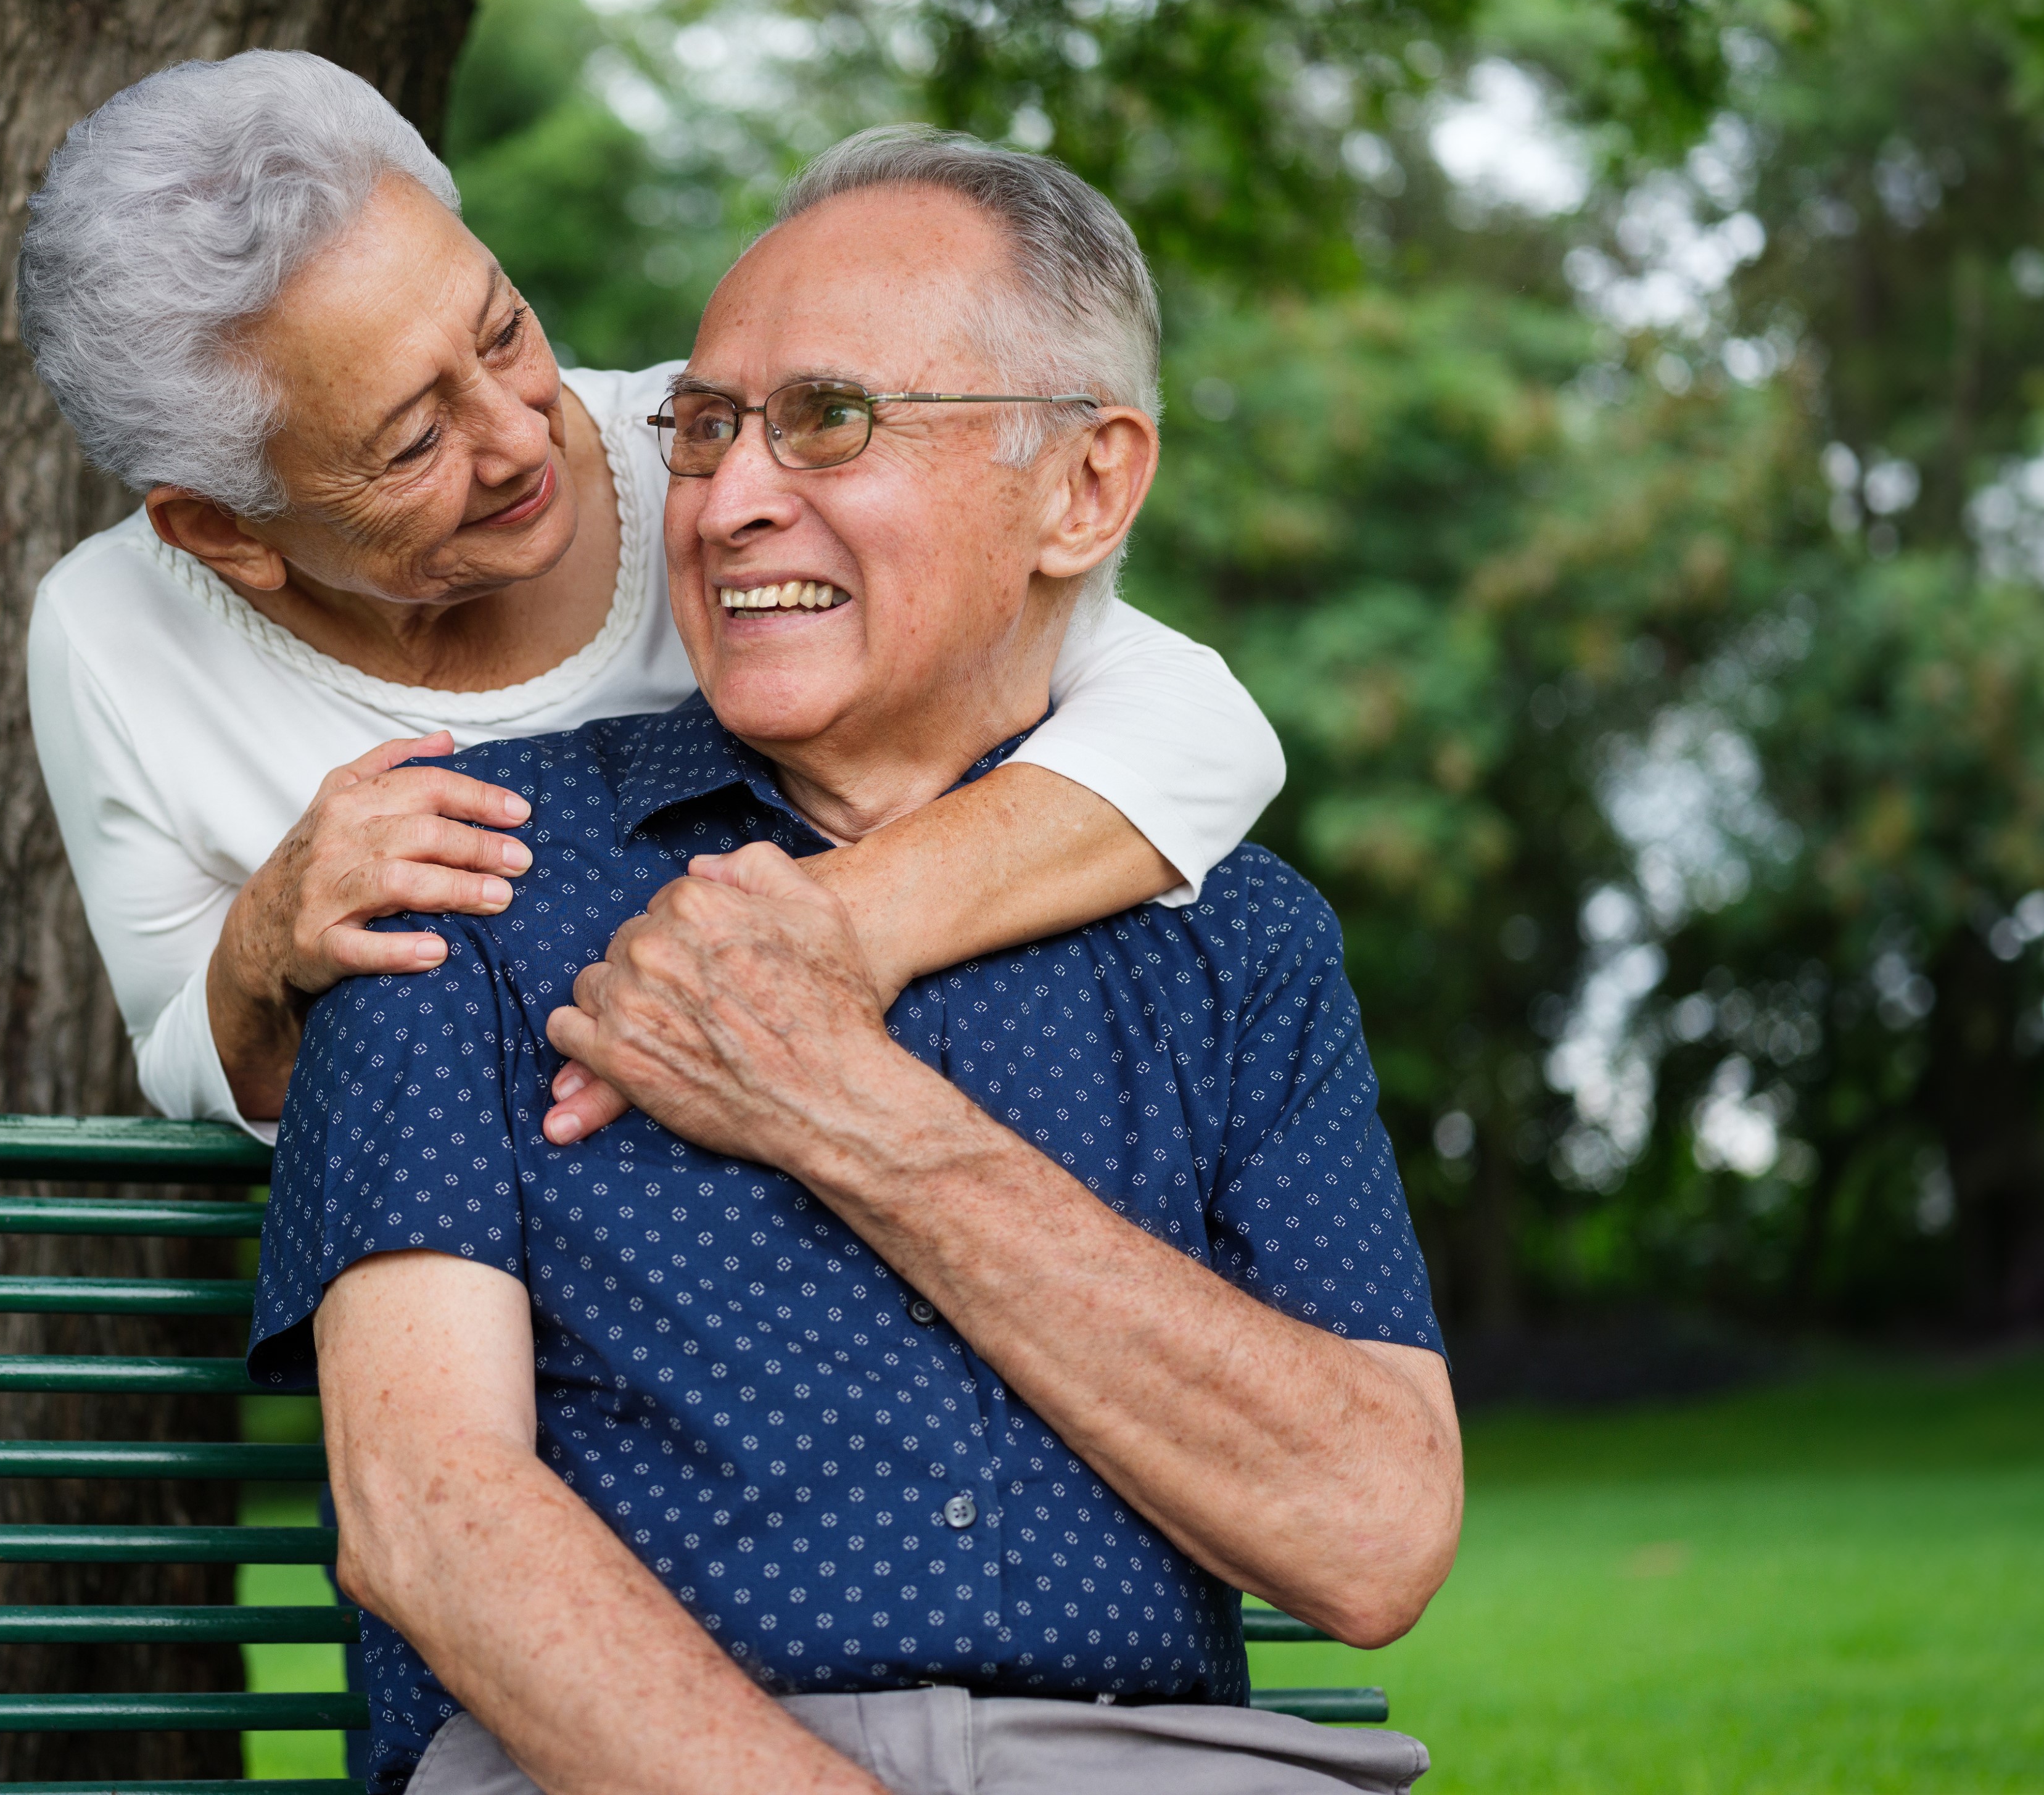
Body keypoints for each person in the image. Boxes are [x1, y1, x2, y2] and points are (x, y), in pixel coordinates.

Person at [251, 128, 1461, 1794]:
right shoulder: (462, 861)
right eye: (703, 426)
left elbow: (1374, 1527)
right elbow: (424, 1515)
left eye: (827, 419)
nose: (734, 498)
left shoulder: (1237, 940)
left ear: (1085, 486)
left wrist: (845, 1107)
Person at [17, 52, 1285, 1141]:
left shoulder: (729, 455)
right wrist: (264, 945)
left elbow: (1199, 730)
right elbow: (192, 1055)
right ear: (225, 532)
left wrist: (821, 929)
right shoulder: (114, 631)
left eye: (505, 330)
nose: (523, 435)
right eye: (411, 445)